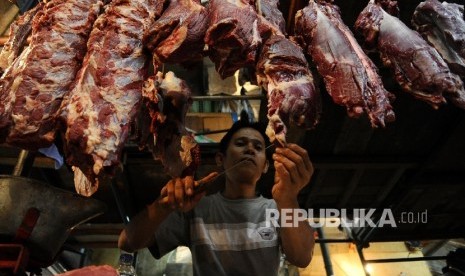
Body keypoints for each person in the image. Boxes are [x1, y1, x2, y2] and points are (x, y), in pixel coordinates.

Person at [118, 114, 315, 275]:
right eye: (240, 143)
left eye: (258, 147)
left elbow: (302, 257)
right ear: (220, 158)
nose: (249, 149)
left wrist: (288, 198)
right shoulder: (196, 208)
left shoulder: (277, 209)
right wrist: (162, 206)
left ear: (265, 166)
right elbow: (127, 242)